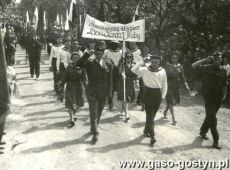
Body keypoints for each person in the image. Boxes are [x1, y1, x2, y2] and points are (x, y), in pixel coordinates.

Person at [75, 47, 113, 144]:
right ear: (95, 54)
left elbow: (110, 80)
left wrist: (110, 93)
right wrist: (87, 54)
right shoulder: (89, 62)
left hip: (103, 92)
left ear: (103, 54)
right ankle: (95, 133)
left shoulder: (108, 63)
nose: (99, 56)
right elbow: (78, 64)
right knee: (93, 112)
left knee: (99, 112)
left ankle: (93, 128)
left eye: (101, 54)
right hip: (92, 91)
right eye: (97, 54)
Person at [192, 52, 228, 149]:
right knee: (212, 118)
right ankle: (216, 141)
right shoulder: (207, 67)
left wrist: (224, 95)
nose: (218, 60)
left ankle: (203, 131)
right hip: (209, 97)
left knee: (210, 116)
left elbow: (225, 84)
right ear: (213, 59)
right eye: (216, 59)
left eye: (219, 59)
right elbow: (193, 66)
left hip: (219, 97)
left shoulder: (223, 70)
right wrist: (205, 59)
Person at [132, 54, 167, 146]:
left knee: (152, 116)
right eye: (153, 62)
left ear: (159, 62)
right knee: (150, 115)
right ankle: (152, 136)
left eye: (157, 62)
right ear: (150, 61)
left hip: (158, 95)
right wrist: (143, 61)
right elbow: (133, 69)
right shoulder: (145, 70)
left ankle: (146, 130)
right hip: (148, 93)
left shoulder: (162, 70)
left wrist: (162, 96)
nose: (155, 64)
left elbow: (164, 85)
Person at [163, 51, 190, 125]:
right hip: (168, 85)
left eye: (176, 58)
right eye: (173, 58)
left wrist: (186, 85)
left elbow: (182, 76)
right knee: (171, 101)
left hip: (176, 85)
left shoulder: (180, 66)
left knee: (172, 102)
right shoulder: (167, 66)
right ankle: (173, 118)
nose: (174, 59)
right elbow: (163, 75)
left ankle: (165, 112)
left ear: (178, 59)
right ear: (171, 58)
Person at [62, 52, 86, 128]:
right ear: (71, 59)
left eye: (77, 58)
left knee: (78, 104)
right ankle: (72, 119)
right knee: (71, 104)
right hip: (70, 87)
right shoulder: (68, 68)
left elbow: (84, 79)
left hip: (79, 88)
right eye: (74, 58)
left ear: (79, 59)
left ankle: (73, 114)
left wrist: (86, 87)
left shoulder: (82, 68)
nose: (75, 59)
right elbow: (64, 79)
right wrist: (60, 89)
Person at [117, 52, 137, 121]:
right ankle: (126, 114)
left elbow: (136, 74)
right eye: (127, 57)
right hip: (123, 82)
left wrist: (136, 80)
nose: (129, 58)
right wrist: (122, 74)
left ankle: (122, 111)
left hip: (130, 83)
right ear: (125, 58)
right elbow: (120, 71)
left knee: (126, 97)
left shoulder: (134, 65)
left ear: (132, 58)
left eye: (130, 57)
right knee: (125, 97)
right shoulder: (122, 64)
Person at [104, 40, 122, 109]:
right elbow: (104, 59)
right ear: (111, 44)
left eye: (116, 44)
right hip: (110, 70)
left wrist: (119, 67)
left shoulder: (120, 52)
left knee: (117, 86)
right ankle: (110, 102)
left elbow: (121, 60)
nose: (115, 45)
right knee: (110, 86)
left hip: (117, 70)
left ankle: (118, 102)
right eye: (114, 44)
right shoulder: (107, 51)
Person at [56, 36, 71, 102]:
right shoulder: (61, 50)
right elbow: (58, 60)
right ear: (64, 43)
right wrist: (58, 68)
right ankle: (61, 95)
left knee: (70, 82)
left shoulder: (72, 50)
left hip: (70, 67)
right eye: (66, 42)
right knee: (62, 82)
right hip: (62, 67)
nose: (68, 43)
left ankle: (69, 96)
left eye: (69, 42)